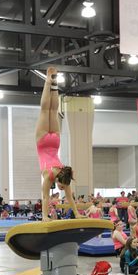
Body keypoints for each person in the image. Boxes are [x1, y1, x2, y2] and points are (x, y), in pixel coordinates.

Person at [35, 67, 84, 222]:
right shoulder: (50, 176)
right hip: (43, 143)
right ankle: (49, 81)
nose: (62, 189)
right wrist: (44, 216)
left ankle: (53, 82)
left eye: (62, 187)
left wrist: (77, 215)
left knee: (52, 110)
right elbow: (45, 196)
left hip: (55, 142)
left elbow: (68, 198)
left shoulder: (65, 172)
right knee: (46, 110)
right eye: (63, 187)